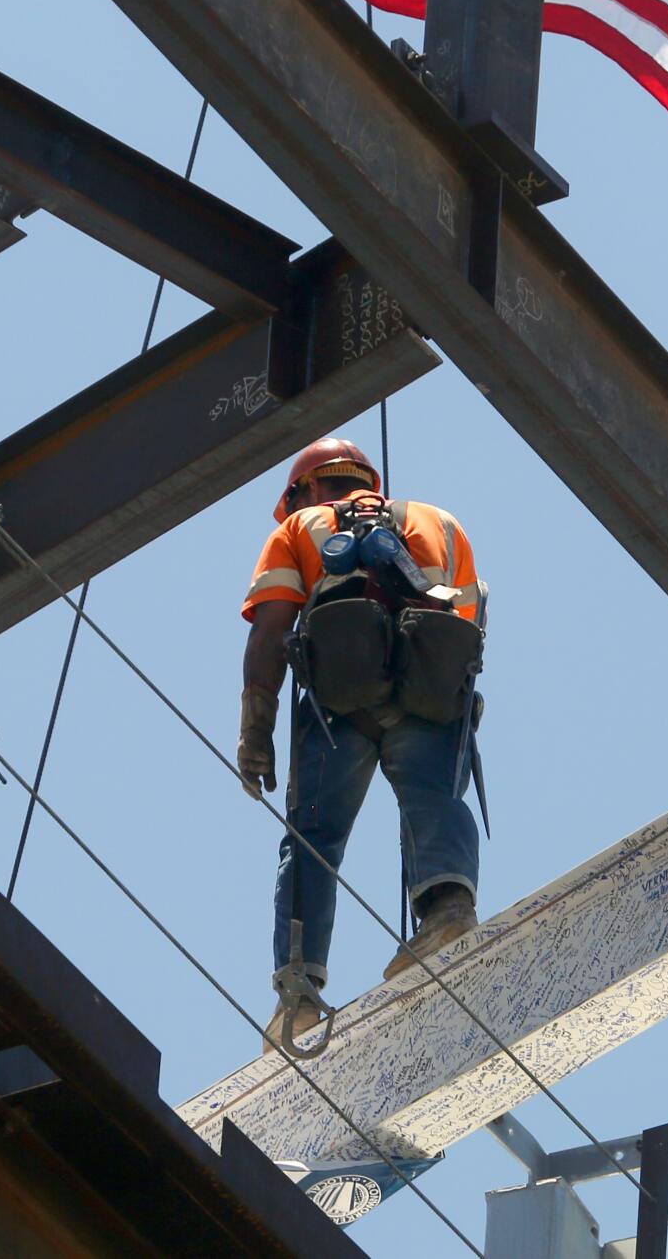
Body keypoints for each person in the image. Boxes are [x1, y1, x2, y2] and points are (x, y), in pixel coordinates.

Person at [239, 436, 484, 1049]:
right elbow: (469, 628)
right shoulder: (441, 522)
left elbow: (271, 632)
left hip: (338, 704)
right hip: (429, 693)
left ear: (308, 488)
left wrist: (256, 733)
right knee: (433, 798)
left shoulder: (302, 525)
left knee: (312, 839)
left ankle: (297, 994)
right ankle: (448, 910)